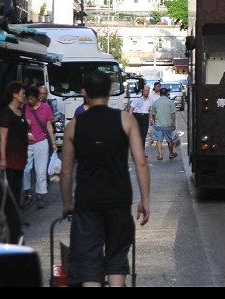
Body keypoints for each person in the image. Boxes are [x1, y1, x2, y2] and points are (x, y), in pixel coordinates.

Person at [60, 71, 150, 287]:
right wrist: (145, 200)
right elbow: (141, 163)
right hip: (118, 200)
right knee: (117, 257)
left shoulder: (74, 125)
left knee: (89, 262)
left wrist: (67, 203)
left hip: (87, 202)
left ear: (84, 93)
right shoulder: (126, 120)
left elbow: (66, 171)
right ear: (110, 91)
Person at [0, 81, 29, 226]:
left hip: (20, 157)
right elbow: (3, 138)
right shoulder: (6, 113)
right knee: (10, 190)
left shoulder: (21, 112)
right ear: (15, 95)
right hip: (10, 158)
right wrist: (3, 159)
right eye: (22, 93)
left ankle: (16, 218)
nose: (24, 95)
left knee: (17, 189)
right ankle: (8, 219)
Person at [21, 85, 57, 209]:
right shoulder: (23, 108)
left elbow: (49, 126)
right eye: (28, 98)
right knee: (25, 169)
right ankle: (27, 194)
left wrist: (53, 143)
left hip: (41, 142)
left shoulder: (46, 108)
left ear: (37, 98)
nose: (29, 101)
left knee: (40, 171)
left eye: (31, 98)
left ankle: (40, 196)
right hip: (26, 143)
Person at [150, 86, 178, 161]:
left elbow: (153, 114)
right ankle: (171, 153)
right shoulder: (170, 102)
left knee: (158, 140)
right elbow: (173, 114)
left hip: (158, 125)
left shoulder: (156, 103)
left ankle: (160, 155)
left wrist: (155, 121)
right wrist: (173, 123)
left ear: (160, 94)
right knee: (169, 140)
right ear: (166, 94)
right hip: (168, 124)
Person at [128, 84, 156, 157]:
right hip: (137, 117)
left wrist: (151, 119)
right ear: (142, 91)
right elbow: (131, 108)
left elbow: (150, 110)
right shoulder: (137, 99)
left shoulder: (150, 100)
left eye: (148, 90)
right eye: (145, 90)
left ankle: (142, 152)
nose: (146, 92)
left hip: (145, 118)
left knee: (143, 136)